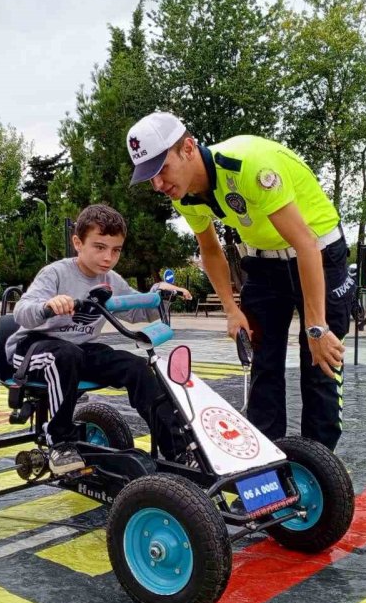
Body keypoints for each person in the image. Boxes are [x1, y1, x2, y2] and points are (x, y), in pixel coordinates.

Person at [126, 112, 351, 452]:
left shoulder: (248, 165)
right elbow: (210, 251)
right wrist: (231, 309)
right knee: (263, 363)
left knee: (319, 364)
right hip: (264, 263)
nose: (158, 184)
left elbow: (305, 244)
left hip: (319, 253)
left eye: (162, 169)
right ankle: (268, 460)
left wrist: (316, 327)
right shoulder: (184, 194)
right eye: (149, 176)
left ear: (188, 148)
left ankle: (320, 466)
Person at [6, 204, 193, 474]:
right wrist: (48, 305)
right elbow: (22, 312)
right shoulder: (56, 273)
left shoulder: (111, 279)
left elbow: (137, 310)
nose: (108, 257)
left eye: (115, 250)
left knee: (137, 367)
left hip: (79, 350)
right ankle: (60, 442)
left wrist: (160, 294)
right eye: (99, 247)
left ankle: (177, 451)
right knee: (66, 356)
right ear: (77, 243)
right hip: (32, 348)